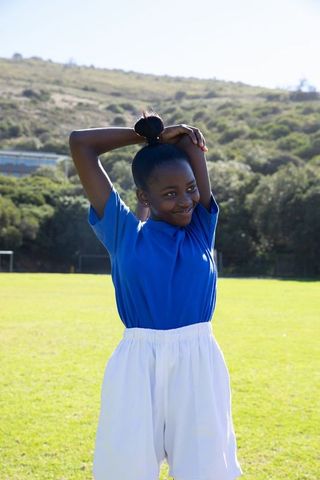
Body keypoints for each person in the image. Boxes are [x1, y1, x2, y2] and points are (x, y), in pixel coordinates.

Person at [69, 111, 243, 480]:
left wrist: (177, 139)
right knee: (125, 472)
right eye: (169, 193)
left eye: (190, 189)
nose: (185, 201)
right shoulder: (123, 233)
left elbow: (192, 149)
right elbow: (81, 144)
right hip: (137, 364)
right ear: (143, 195)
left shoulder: (201, 228)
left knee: (207, 472)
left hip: (198, 360)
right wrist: (146, 136)